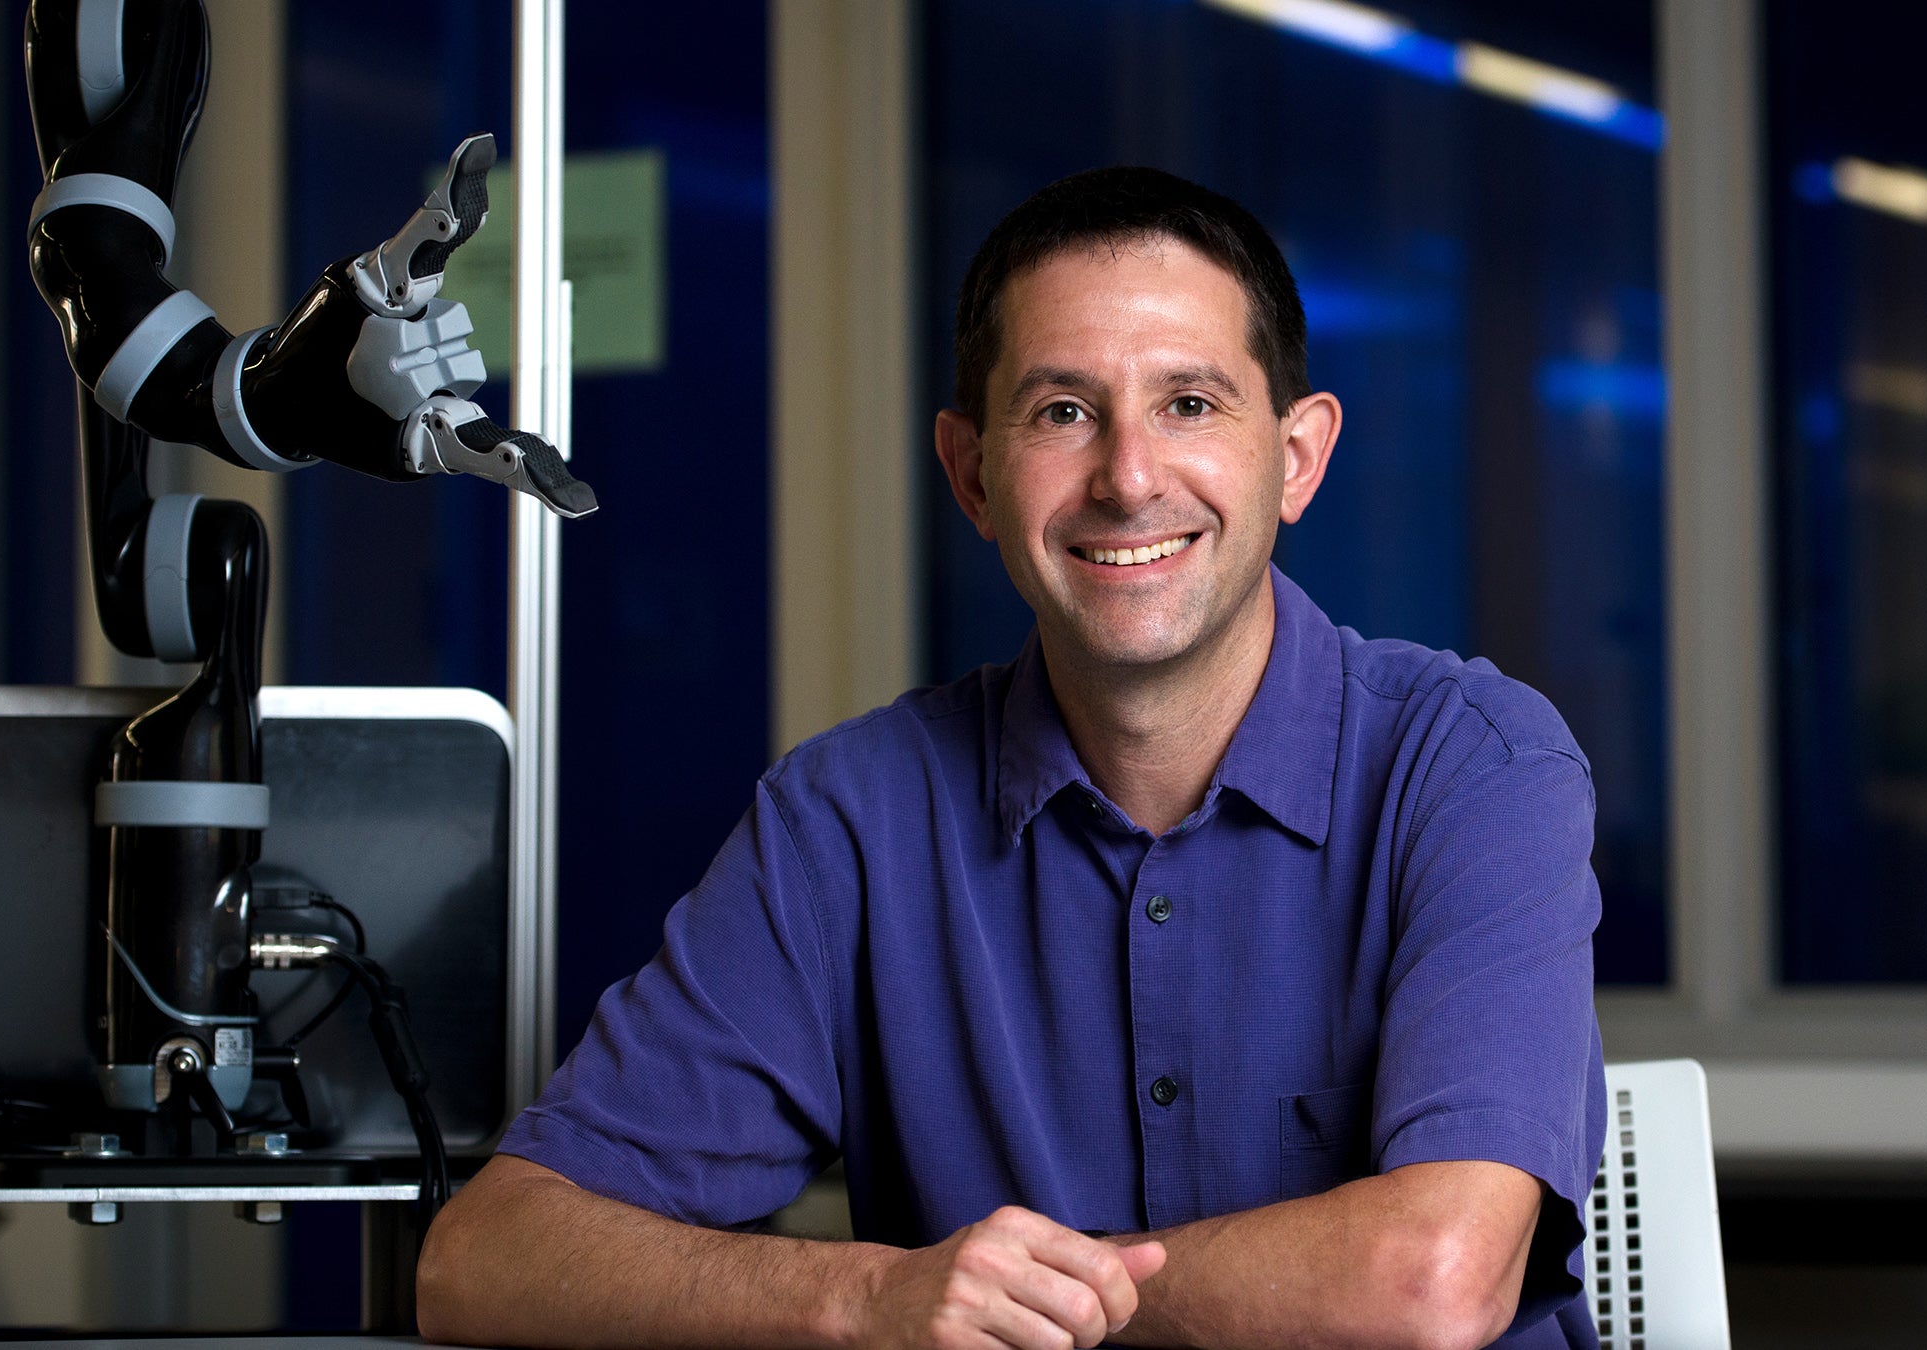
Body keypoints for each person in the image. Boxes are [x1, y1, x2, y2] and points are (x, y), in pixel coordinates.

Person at [418, 166, 1606, 1350]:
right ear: (973, 475)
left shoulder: (1473, 766)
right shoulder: (851, 822)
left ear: (1296, 458)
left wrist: (1040, 1301)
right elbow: (486, 1258)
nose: (1129, 478)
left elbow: (1433, 1281)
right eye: (1062, 412)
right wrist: (867, 1299)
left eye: (1189, 403)